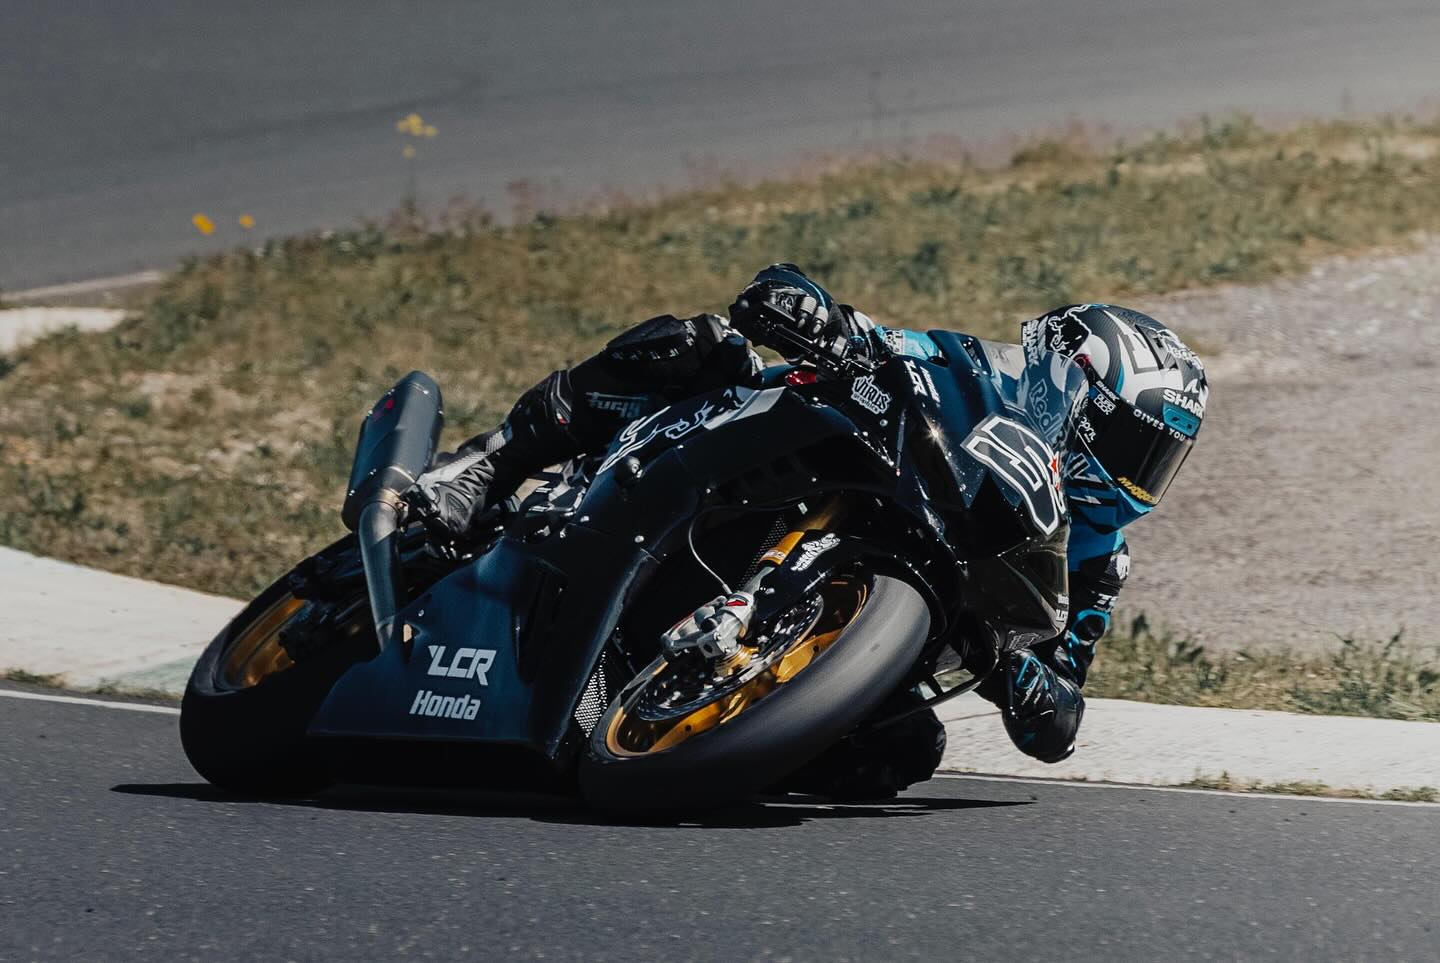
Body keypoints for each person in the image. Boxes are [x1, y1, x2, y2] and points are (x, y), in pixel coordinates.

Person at [409, 264, 1208, 796]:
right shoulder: (975, 373)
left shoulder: (1095, 560)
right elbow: (882, 344)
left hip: (875, 613)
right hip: (763, 473)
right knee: (703, 347)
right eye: (1132, 446)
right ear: (1072, 389)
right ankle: (490, 462)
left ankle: (717, 737)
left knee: (907, 749)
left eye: (1157, 463)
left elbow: (1060, 720)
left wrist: (1028, 681)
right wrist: (814, 314)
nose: (1135, 479)